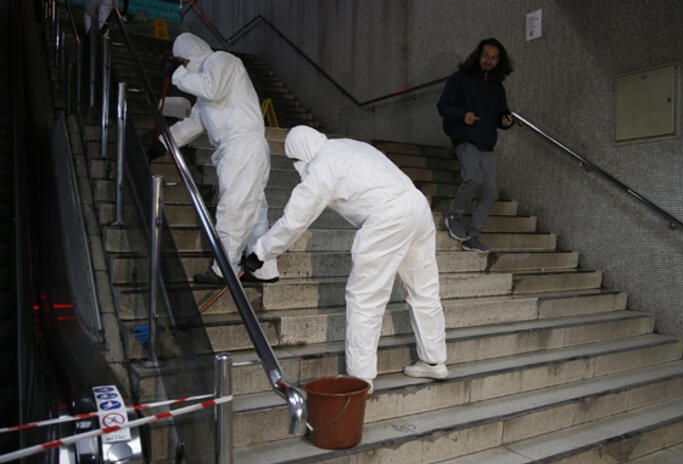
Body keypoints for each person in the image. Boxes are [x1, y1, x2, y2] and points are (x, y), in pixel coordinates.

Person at [246, 126, 449, 393]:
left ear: (300, 153)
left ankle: (360, 377)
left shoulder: (321, 167)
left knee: (365, 297)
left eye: (294, 161)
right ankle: (434, 361)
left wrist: (259, 253)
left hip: (388, 217)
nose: (296, 167)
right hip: (417, 206)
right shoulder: (347, 145)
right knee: (424, 290)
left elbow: (294, 221)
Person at [164, 32, 279, 284]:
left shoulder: (220, 60)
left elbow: (211, 88)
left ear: (189, 55)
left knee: (235, 207)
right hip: (243, 148)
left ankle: (224, 267)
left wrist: (178, 75)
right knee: (254, 208)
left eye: (182, 61)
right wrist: (163, 143)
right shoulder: (206, 92)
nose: (183, 68)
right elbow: (194, 123)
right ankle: (265, 268)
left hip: (242, 146)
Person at [437, 38, 514, 253]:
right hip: (465, 138)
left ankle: (473, 235)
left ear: (499, 61)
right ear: (478, 56)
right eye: (485, 55)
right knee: (473, 178)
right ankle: (455, 216)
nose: (488, 60)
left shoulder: (497, 86)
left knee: (489, 190)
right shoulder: (460, 78)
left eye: (493, 57)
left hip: (486, 142)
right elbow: (443, 106)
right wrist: (464, 115)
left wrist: (506, 121)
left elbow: (502, 114)